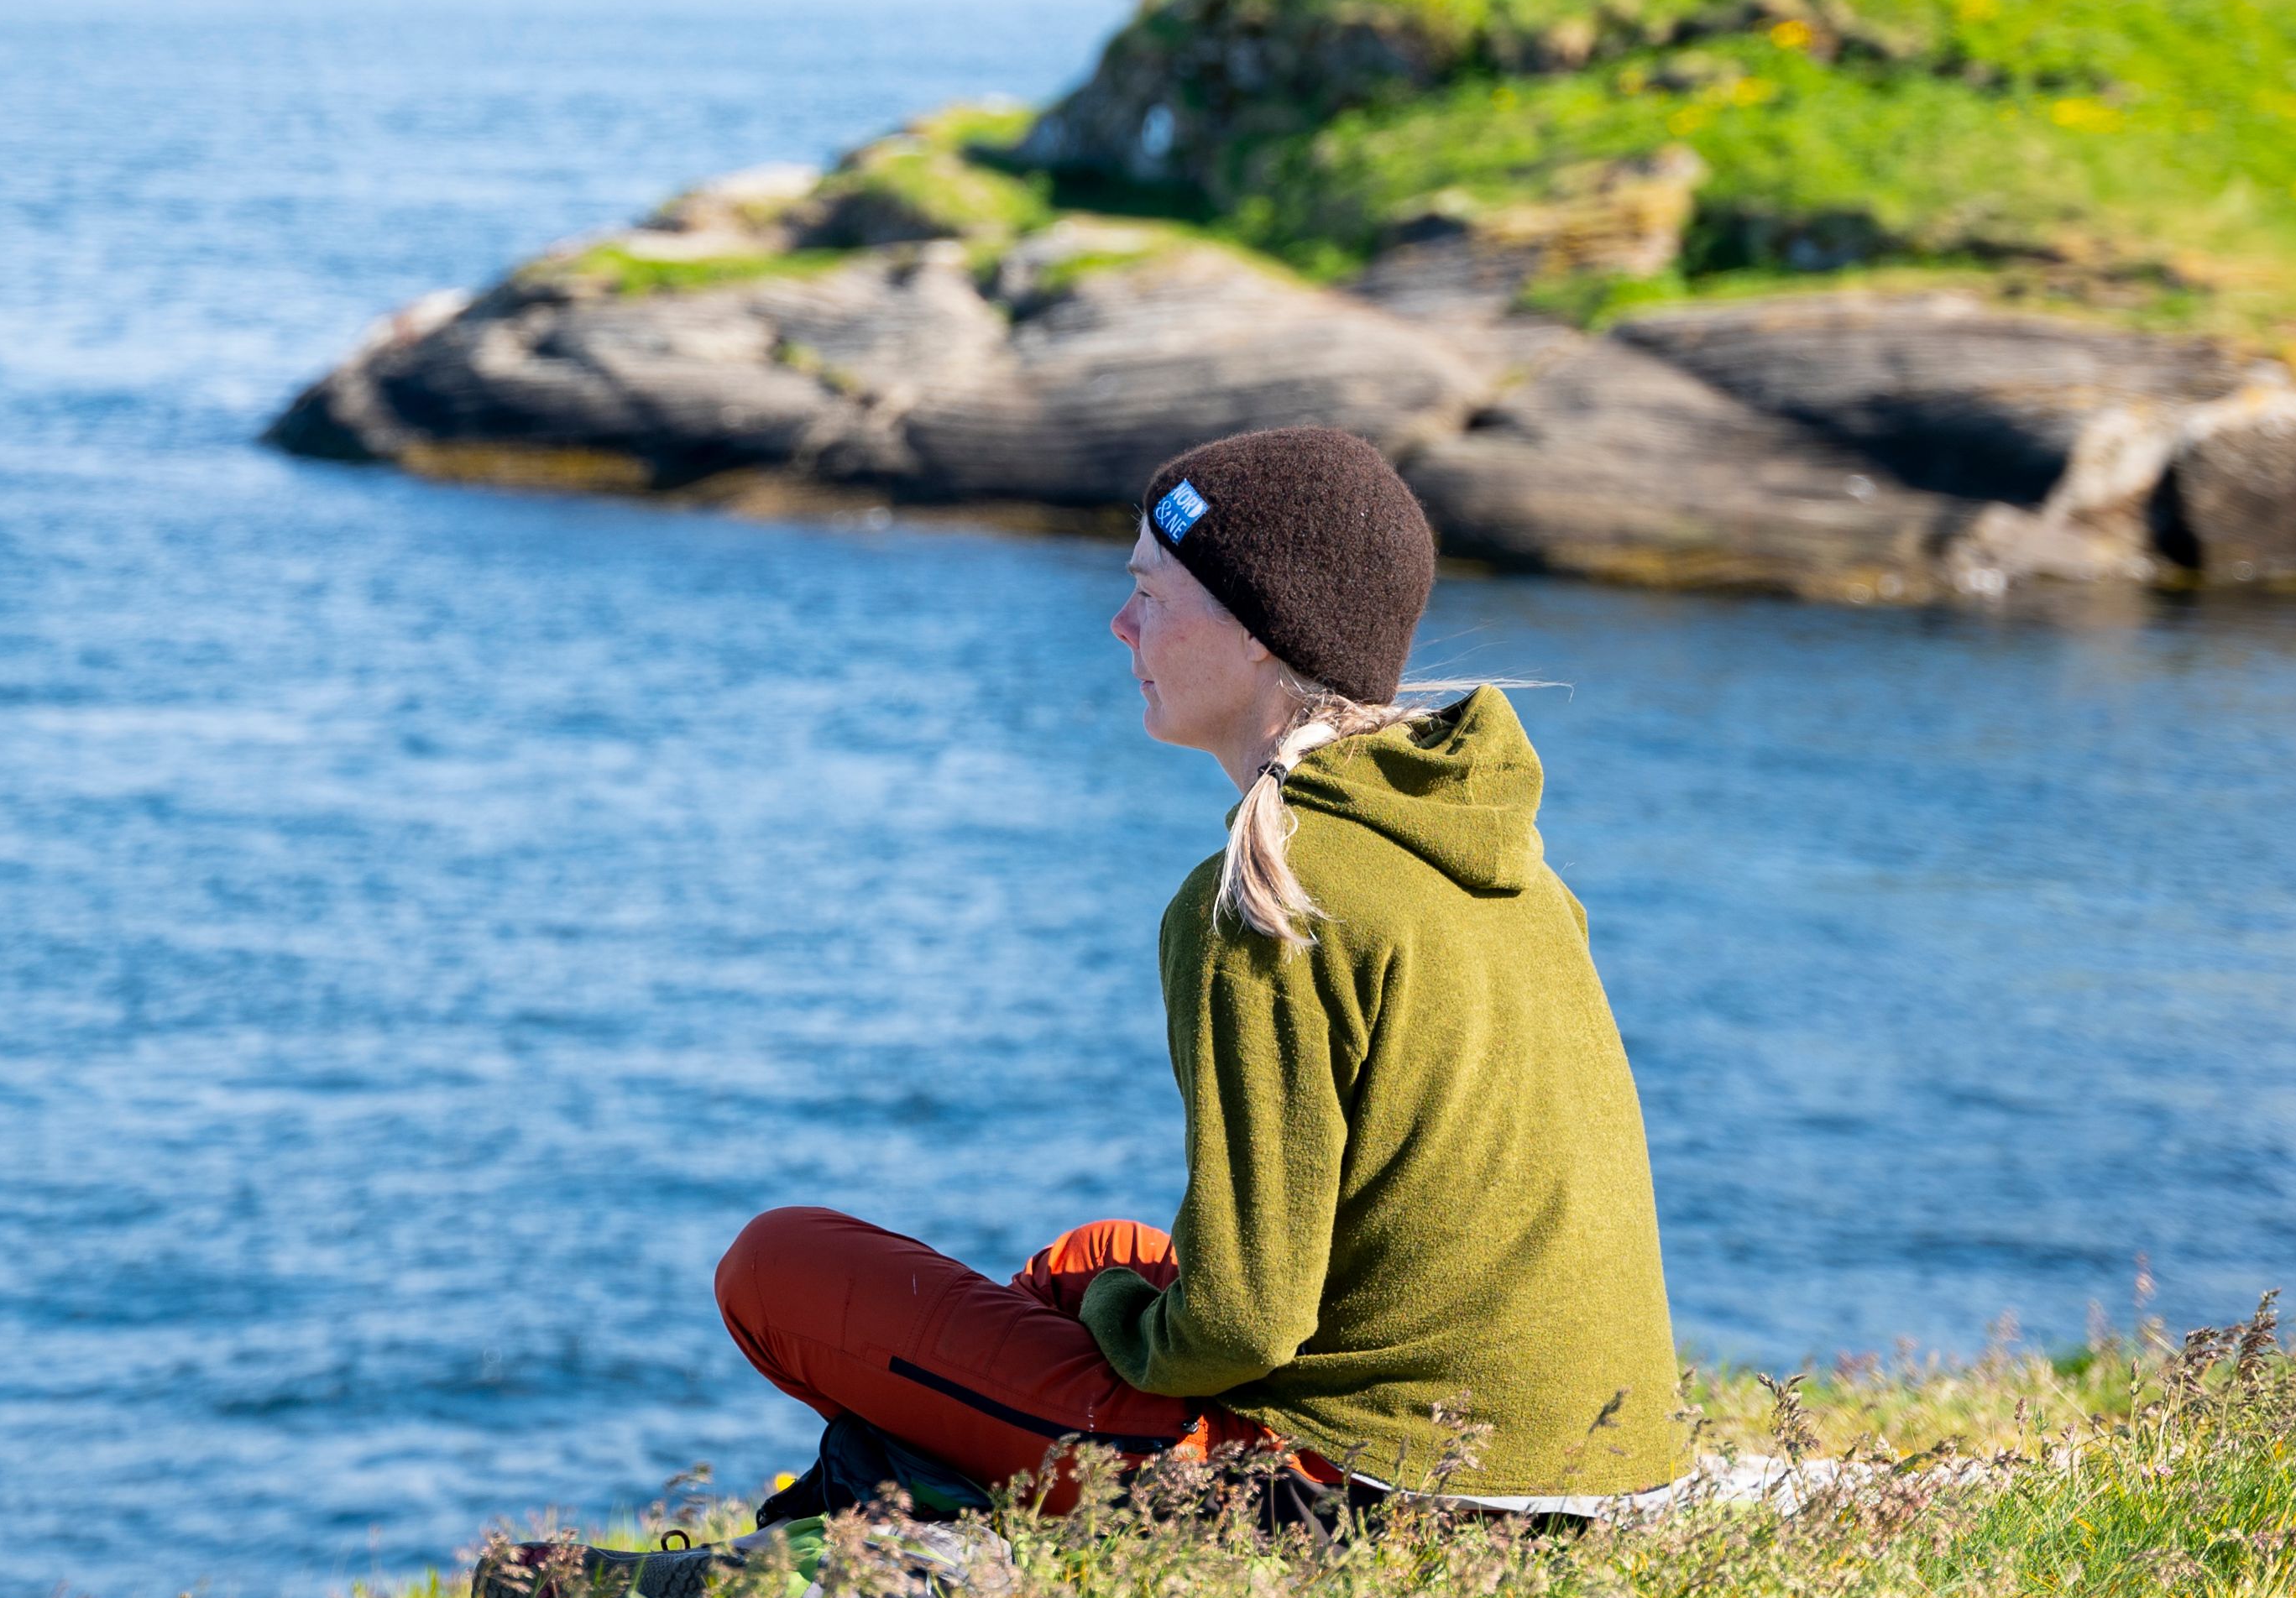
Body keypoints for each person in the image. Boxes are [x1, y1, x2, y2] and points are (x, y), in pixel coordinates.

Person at [715, 422, 1692, 1527]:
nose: (1120, 623)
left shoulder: (1269, 898)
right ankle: (881, 1508)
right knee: (1098, 1260)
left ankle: (811, 1555)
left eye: (1150, 591)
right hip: (1593, 1489)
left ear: (1260, 633)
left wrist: (1128, 1326)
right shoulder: (1496, 856)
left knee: (780, 1264)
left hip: (1372, 1506)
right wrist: (1120, 1307)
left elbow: (1240, 1329)